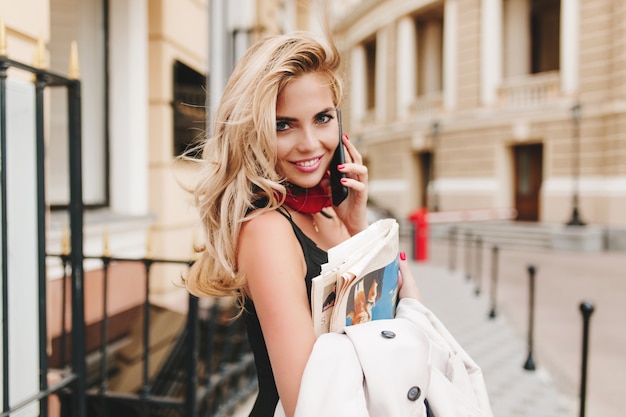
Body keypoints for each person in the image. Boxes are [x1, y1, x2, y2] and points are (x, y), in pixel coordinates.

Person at [184, 31, 420, 417]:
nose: (310, 144)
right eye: (284, 125)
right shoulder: (267, 230)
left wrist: (357, 225)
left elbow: (400, 313)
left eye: (322, 118)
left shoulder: (329, 213)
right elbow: (307, 401)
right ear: (253, 133)